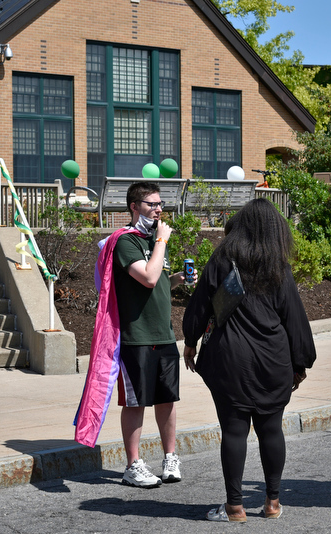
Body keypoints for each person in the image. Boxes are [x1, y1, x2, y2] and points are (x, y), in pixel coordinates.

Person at [182, 198, 316, 522]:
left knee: (233, 431)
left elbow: (200, 304)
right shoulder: (278, 266)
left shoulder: (223, 258)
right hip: (273, 359)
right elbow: (294, 318)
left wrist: (190, 340)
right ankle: (272, 503)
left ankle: (235, 507)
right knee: (272, 430)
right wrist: (301, 363)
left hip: (230, 361)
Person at [74, 181, 193, 488]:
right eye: (152, 204)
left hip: (164, 334)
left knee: (167, 399)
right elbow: (149, 278)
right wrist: (162, 243)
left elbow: (159, 281)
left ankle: (169, 458)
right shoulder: (126, 242)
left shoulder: (152, 240)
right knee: (136, 402)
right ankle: (133, 465)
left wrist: (178, 278)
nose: (158, 210)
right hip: (135, 336)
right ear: (134, 207)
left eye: (160, 205)